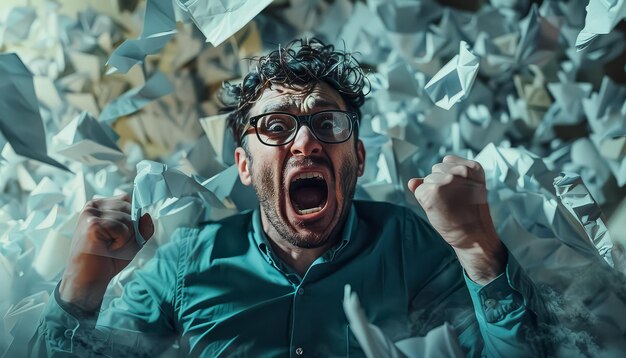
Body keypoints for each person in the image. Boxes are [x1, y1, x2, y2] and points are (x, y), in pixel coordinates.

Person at [30, 38, 549, 357]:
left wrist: (479, 251)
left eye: (327, 123)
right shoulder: (185, 264)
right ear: (243, 167)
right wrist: (79, 292)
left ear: (359, 159)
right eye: (276, 126)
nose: (305, 141)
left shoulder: (408, 242)